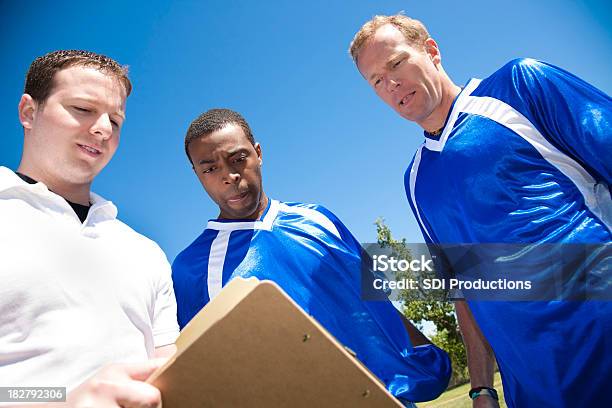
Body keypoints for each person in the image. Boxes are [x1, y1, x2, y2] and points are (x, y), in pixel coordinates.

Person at [349, 13, 611, 408]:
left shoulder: (519, 86)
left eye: (396, 63)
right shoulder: (416, 180)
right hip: (534, 389)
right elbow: (463, 287)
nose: (391, 84)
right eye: (376, 81)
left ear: (431, 51)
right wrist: (481, 387)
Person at [171, 108, 452, 405]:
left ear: (258, 153)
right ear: (197, 175)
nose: (229, 176)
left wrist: (427, 365)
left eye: (238, 159)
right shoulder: (192, 270)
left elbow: (376, 304)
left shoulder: (318, 219)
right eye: (210, 168)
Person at [0, 50, 179, 407]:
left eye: (116, 121)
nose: (102, 130)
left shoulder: (146, 252)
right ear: (28, 112)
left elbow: (167, 371)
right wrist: (62, 399)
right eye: (82, 109)